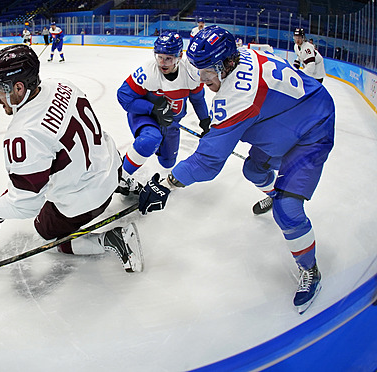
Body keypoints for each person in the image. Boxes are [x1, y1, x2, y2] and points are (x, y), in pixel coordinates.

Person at [138, 26, 335, 315]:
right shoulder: (239, 55)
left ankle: (310, 269)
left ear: (226, 64)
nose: (203, 81)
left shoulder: (237, 97)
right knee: (254, 171)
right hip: (295, 115)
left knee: (287, 209)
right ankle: (273, 191)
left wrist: (168, 183)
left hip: (312, 131)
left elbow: (207, 162)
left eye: (207, 73)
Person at [0, 44, 144, 273]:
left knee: (45, 236)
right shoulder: (61, 84)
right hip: (112, 164)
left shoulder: (23, 134)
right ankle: (124, 184)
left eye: (0, 89)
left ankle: (112, 239)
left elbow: (27, 204)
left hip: (91, 198)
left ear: (19, 87)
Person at [116, 31, 210, 195]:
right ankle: (120, 177)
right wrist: (152, 108)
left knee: (168, 162)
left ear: (180, 56)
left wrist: (205, 121)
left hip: (171, 123)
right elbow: (123, 96)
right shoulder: (148, 72)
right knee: (150, 139)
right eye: (159, 57)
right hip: (147, 116)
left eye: (168, 58)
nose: (162, 63)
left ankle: (145, 159)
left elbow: (198, 99)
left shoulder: (192, 73)